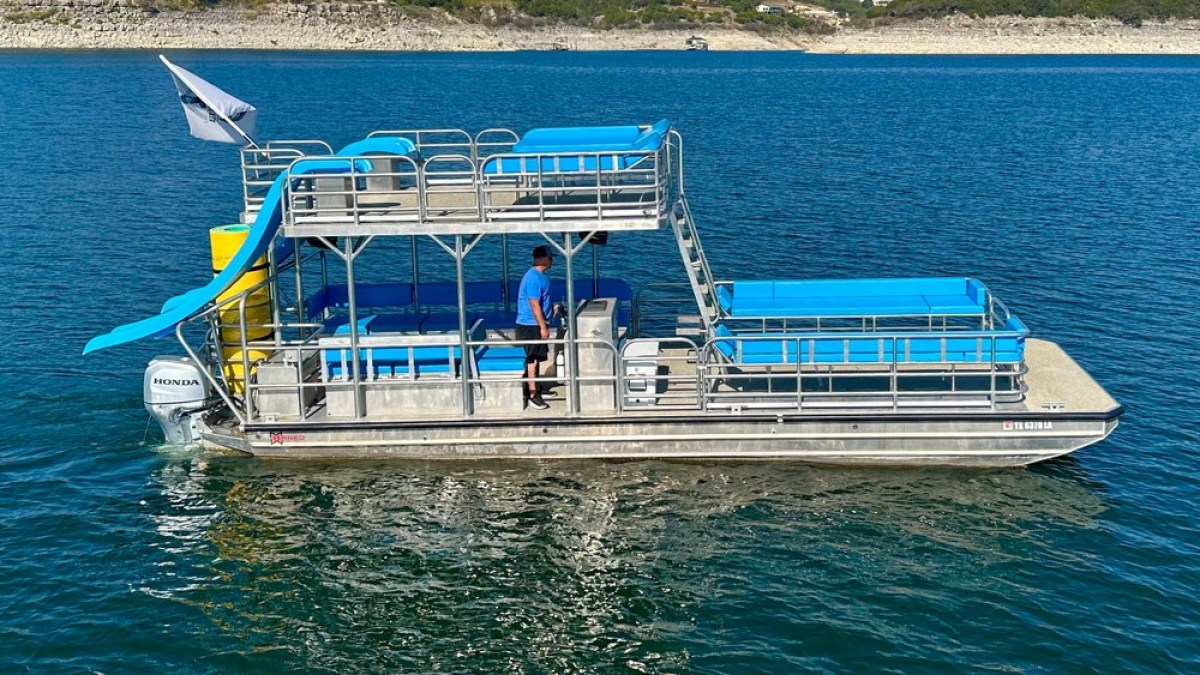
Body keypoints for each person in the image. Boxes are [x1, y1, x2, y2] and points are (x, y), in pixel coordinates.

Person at [516, 245, 555, 410]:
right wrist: (542, 327)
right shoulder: (533, 277)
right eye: (549, 258)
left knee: (537, 358)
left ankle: (537, 387)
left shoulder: (540, 276)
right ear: (540, 258)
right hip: (530, 325)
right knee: (532, 359)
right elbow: (534, 304)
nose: (551, 261)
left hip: (536, 323)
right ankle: (533, 394)